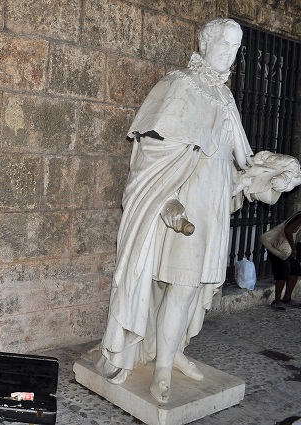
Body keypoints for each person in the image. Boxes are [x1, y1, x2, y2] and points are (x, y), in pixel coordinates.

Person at [93, 18, 254, 404]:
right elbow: (149, 156)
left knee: (194, 288)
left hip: (213, 208)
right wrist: (165, 199)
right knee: (180, 288)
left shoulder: (225, 98)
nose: (228, 53)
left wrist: (251, 178)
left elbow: (234, 158)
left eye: (235, 48)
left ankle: (173, 350)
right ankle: (162, 368)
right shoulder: (180, 85)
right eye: (224, 44)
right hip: (184, 209)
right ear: (205, 42)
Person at [260, 211, 301, 310]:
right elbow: (288, 230)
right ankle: (277, 300)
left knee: (295, 269)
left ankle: (287, 298)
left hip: (287, 246)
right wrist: (293, 248)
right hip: (277, 244)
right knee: (283, 269)